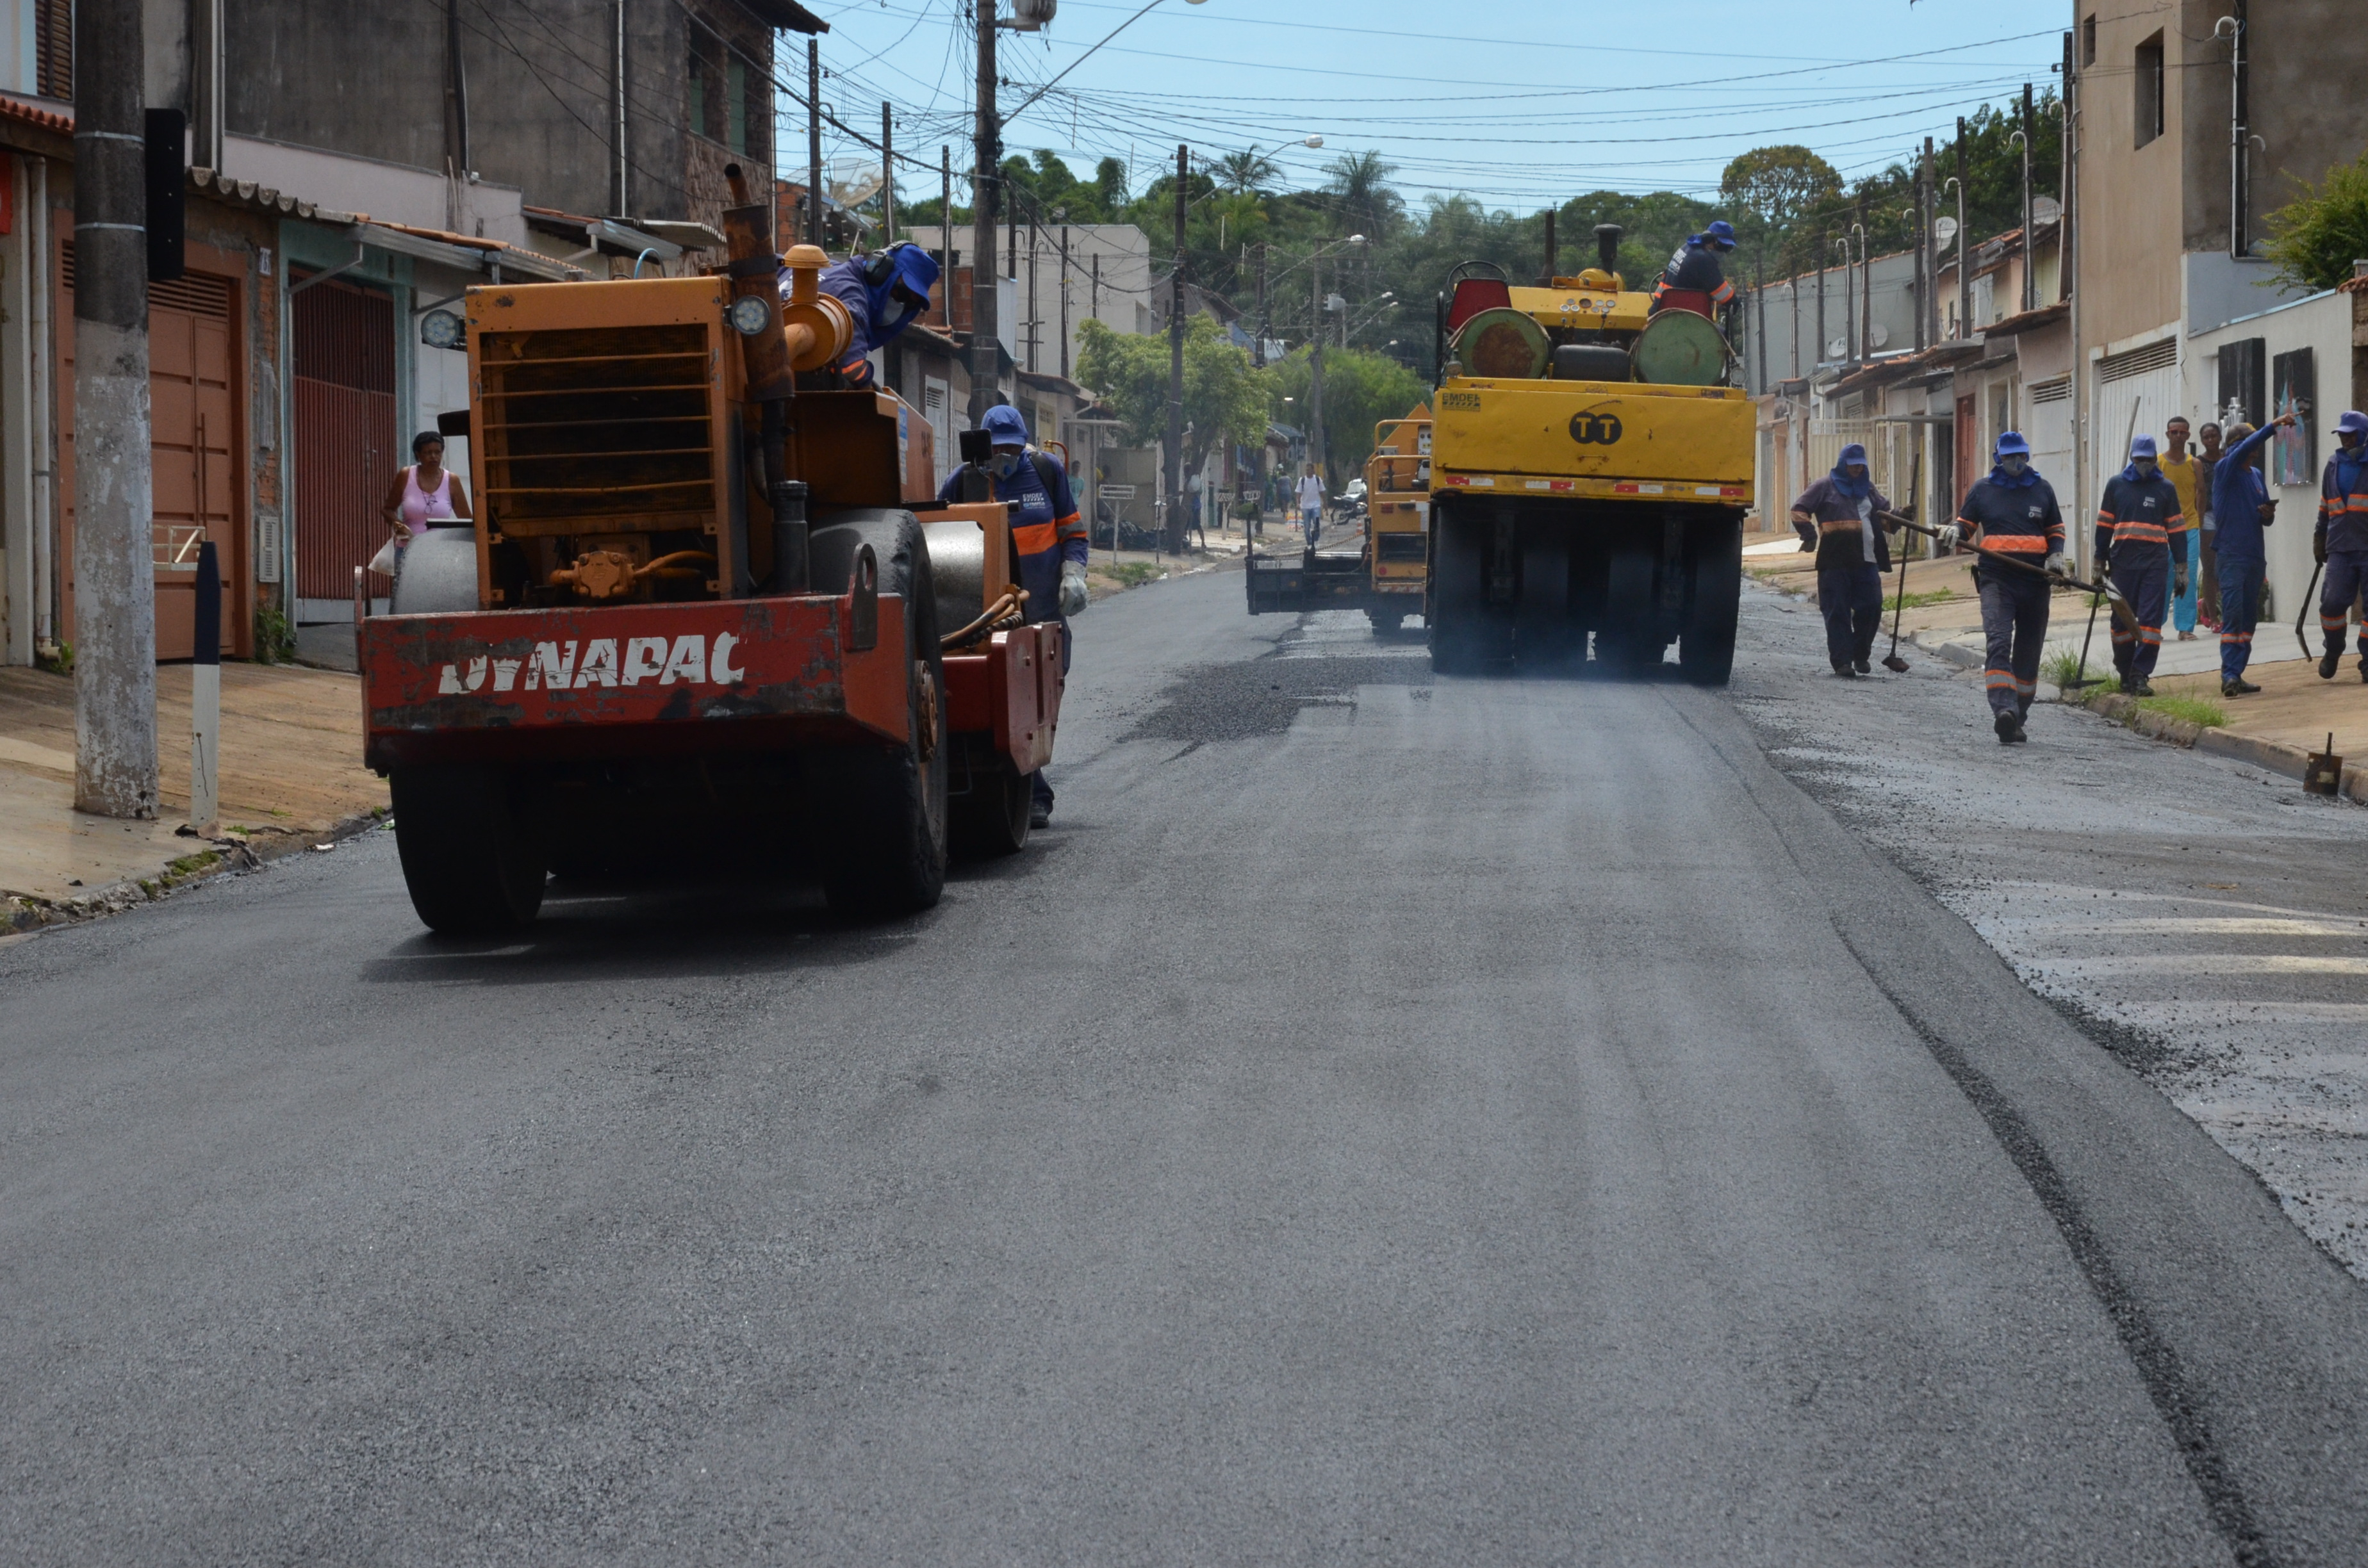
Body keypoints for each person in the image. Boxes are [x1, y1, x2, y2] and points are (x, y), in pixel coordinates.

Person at [937, 404, 1087, 828]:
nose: (1003, 457)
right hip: (989, 615)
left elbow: (1073, 532)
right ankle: (1034, 792)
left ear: (1023, 446)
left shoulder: (1045, 470)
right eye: (996, 449)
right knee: (1011, 701)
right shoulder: (965, 480)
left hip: (1043, 612)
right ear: (983, 446)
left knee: (1042, 699)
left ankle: (1029, 785)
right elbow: (929, 526)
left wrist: (1073, 573)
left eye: (1011, 449)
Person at [1937, 431, 2064, 742]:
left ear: (2027, 455)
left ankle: (2018, 714)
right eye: (2010, 457)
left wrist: (2056, 556)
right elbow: (1965, 524)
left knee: (2029, 650)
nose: (2016, 462)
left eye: (2020, 456)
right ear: (1999, 458)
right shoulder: (1983, 490)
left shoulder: (2042, 490)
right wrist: (1954, 531)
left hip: (2035, 581)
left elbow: (2055, 528)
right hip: (1997, 580)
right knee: (1998, 641)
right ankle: (2003, 709)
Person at [1791, 441, 1894, 678]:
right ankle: (1842, 662)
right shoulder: (1824, 486)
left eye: (1861, 465)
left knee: (1872, 606)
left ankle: (1860, 654)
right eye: (1853, 465)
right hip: (1834, 560)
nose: (1857, 469)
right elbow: (1799, 510)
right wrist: (1808, 535)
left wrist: (1901, 515)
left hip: (1867, 560)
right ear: (1842, 464)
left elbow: (1885, 518)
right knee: (1837, 610)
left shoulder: (1868, 489)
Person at [2094, 434, 2186, 697]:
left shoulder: (2165, 489)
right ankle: (2124, 669)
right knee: (2121, 619)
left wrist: (2182, 569)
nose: (2144, 464)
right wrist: (2099, 563)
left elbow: (2177, 531)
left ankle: (2140, 674)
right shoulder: (2116, 486)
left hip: (2155, 564)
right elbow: (2104, 527)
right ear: (2132, 459)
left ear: (2155, 459)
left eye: (2148, 459)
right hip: (2123, 563)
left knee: (2150, 621)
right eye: (2139, 459)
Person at [2210, 413, 2291, 694]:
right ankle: (2229, 675)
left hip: (2254, 555)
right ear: (2236, 446)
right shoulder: (2225, 469)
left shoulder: (2255, 476)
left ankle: (2238, 673)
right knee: (2232, 615)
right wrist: (2274, 425)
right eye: (2248, 443)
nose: (2254, 449)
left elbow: (2264, 519)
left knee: (2248, 620)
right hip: (2232, 555)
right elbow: (2245, 447)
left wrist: (2267, 513)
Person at [788, 240, 941, 389]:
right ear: (879, 270)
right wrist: (869, 386)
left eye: (910, 303)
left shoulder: (829, 269)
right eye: (900, 293)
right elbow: (853, 370)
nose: (900, 305)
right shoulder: (851, 299)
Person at [2315, 407, 2368, 681]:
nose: (2345, 440)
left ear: (2363, 435)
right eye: (2342, 435)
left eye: (2351, 435)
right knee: (2331, 604)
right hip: (2340, 547)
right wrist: (2319, 536)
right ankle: (2333, 649)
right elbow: (2326, 505)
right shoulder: (2333, 465)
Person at [379, 430, 473, 552]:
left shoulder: (452, 480)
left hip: (440, 551)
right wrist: (398, 525)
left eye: (437, 452)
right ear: (418, 454)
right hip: (408, 549)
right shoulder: (406, 475)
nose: (434, 457)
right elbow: (387, 509)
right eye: (428, 453)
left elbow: (466, 520)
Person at [2161, 416, 2204, 639]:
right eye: (2174, 432)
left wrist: (2198, 519)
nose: (2178, 436)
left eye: (2182, 432)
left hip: (2189, 528)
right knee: (2162, 577)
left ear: (2188, 435)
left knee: (2186, 576)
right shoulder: (2158, 463)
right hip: (2163, 531)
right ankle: (2153, 626)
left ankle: (2185, 627)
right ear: (2167, 434)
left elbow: (2201, 492)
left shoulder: (2194, 464)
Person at [1650, 218, 1738, 318]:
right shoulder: (1703, 260)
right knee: (1721, 332)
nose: (1723, 252)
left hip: (1658, 315)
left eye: (1728, 249)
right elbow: (1729, 299)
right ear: (1709, 240)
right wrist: (1736, 303)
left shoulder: (1688, 247)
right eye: (1722, 247)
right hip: (1684, 321)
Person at [2194, 420, 2224, 629]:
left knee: (2226, 568)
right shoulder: (2198, 463)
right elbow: (2198, 491)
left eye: (2214, 436)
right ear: (2202, 440)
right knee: (2210, 568)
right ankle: (2213, 618)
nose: (2211, 440)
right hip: (2207, 516)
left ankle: (2205, 604)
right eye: (2207, 437)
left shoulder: (2229, 458)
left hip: (2228, 516)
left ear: (2220, 437)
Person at [1296, 464, 1326, 547]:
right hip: (1305, 506)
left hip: (1316, 505)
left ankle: (1316, 540)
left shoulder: (1317, 480)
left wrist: (1325, 504)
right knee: (1307, 526)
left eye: (1309, 470)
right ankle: (1309, 543)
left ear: (1313, 470)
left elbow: (1322, 492)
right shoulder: (1302, 480)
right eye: (1306, 470)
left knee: (1316, 524)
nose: (1308, 472)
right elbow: (1298, 493)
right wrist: (1298, 503)